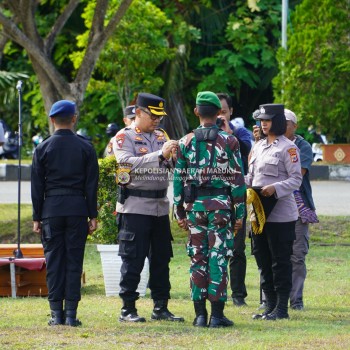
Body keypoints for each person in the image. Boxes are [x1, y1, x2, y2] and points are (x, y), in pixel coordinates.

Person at [173, 91, 246, 327]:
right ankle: (216, 315)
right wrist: (240, 214)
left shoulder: (185, 142)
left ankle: (200, 315)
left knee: (197, 259)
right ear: (218, 113)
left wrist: (179, 211)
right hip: (221, 210)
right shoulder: (230, 142)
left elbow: (178, 179)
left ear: (196, 112)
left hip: (195, 209)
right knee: (218, 258)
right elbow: (237, 180)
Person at [113, 92, 183, 323]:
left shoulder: (162, 135)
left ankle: (160, 307)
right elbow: (125, 164)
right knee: (133, 260)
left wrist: (175, 156)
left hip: (160, 207)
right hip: (135, 207)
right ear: (139, 112)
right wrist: (159, 155)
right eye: (153, 116)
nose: (157, 121)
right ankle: (128, 309)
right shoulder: (124, 137)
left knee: (162, 260)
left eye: (160, 117)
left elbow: (170, 164)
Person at [31, 100, 99, 327]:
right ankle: (70, 315)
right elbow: (91, 185)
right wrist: (93, 215)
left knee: (54, 262)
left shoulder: (42, 148)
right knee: (73, 262)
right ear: (74, 118)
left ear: (52, 120)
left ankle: (55, 315)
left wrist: (36, 217)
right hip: (77, 209)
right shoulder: (86, 147)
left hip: (51, 210)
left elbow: (37, 186)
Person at [247, 103, 302, 321]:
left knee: (280, 261)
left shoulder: (288, 148)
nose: (263, 123)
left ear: (278, 121)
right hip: (258, 213)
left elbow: (296, 179)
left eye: (268, 120)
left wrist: (275, 188)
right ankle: (269, 305)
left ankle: (281, 308)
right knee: (262, 258)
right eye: (261, 120)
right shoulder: (258, 146)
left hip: (281, 214)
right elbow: (251, 177)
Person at [216, 93, 252, 307]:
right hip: (211, 199)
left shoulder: (241, 133)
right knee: (214, 248)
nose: (220, 116)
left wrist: (230, 135)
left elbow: (248, 152)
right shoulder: (204, 136)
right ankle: (216, 292)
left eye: (224, 111)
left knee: (237, 249)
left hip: (236, 198)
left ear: (231, 112)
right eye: (216, 111)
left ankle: (238, 295)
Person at [284, 109, 319, 310]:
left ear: (295, 126)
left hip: (298, 207)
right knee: (272, 255)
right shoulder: (265, 144)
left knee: (297, 255)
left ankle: (296, 300)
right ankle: (270, 300)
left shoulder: (302, 146)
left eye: (286, 122)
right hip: (274, 207)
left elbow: (298, 173)